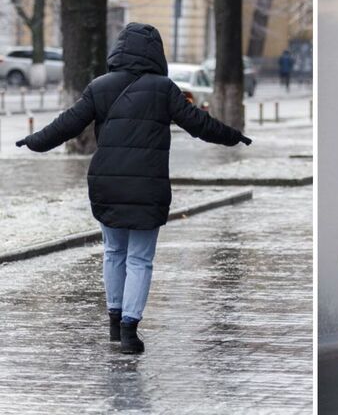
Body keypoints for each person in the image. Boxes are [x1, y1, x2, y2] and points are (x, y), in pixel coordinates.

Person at [15, 23, 251, 354]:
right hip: (147, 188)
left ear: (119, 49)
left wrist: (34, 142)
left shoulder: (99, 87)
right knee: (140, 258)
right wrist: (233, 135)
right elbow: (199, 124)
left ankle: (114, 324)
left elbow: (66, 124)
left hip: (106, 184)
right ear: (155, 52)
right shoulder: (164, 89)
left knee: (113, 251)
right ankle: (129, 331)